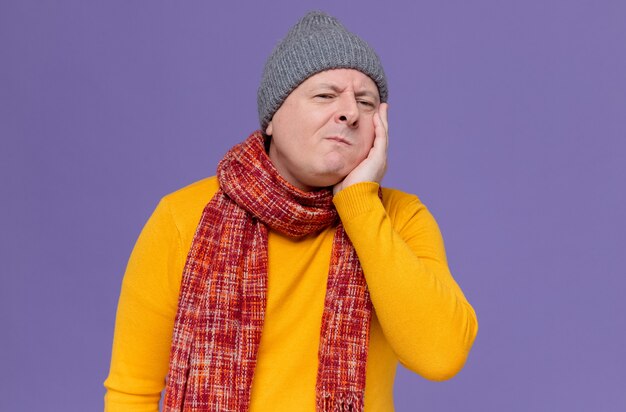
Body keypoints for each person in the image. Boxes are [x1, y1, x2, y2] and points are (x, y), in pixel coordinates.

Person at [104, 10, 478, 412]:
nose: (350, 112)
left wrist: (360, 204)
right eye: (325, 95)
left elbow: (441, 356)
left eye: (366, 102)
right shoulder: (183, 217)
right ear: (272, 119)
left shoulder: (400, 218)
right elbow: (132, 395)